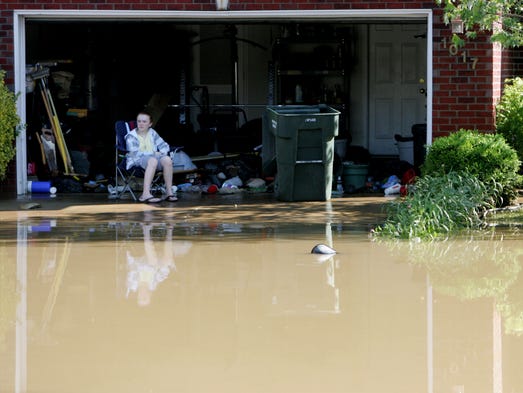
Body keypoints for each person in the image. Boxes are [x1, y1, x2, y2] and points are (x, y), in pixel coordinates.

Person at [125, 110, 177, 203]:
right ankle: (145, 194)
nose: (141, 124)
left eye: (144, 122)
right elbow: (134, 154)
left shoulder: (152, 132)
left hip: (153, 160)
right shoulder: (131, 136)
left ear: (150, 124)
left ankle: (169, 192)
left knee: (167, 160)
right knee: (152, 160)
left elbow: (164, 146)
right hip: (136, 160)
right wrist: (153, 153)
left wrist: (161, 153)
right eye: (139, 121)